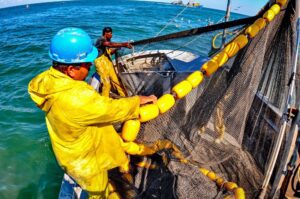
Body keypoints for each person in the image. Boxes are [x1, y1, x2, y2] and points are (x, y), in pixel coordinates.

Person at [28, 27, 157, 198]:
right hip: (85, 163)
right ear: (70, 70)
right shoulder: (77, 98)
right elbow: (112, 109)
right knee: (99, 192)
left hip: (67, 152)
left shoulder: (47, 81)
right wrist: (138, 100)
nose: (90, 66)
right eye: (86, 63)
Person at [94, 27, 132, 97]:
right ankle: (104, 101)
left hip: (108, 61)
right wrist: (123, 44)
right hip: (100, 63)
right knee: (107, 83)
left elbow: (109, 52)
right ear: (105, 33)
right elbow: (109, 44)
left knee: (116, 81)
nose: (111, 35)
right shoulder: (101, 40)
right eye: (110, 33)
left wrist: (118, 48)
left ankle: (124, 96)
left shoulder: (107, 41)